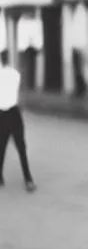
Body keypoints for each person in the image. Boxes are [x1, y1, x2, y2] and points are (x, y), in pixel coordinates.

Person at [0, 54, 36, 192]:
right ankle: (28, 179)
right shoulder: (15, 74)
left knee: (1, 147)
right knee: (21, 147)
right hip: (14, 113)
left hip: (2, 114)